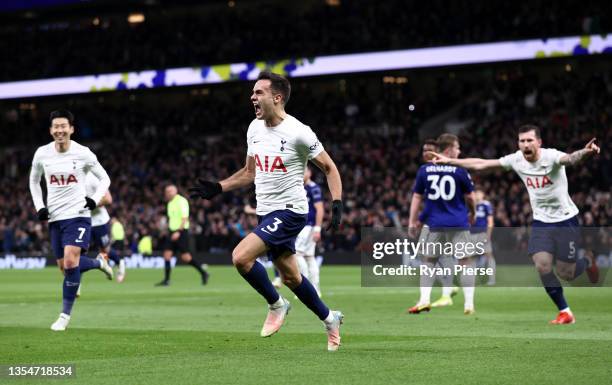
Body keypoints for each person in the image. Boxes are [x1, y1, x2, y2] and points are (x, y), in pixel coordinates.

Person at [189, 71, 344, 351]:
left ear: (277, 97)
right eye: (252, 92)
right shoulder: (254, 128)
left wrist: (337, 202)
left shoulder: (299, 132)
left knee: (240, 257)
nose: (252, 97)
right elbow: (250, 172)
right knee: (291, 277)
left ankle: (277, 304)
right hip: (266, 211)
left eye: (259, 92)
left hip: (290, 212)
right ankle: (330, 318)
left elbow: (330, 167)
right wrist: (218, 187)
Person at [428, 124, 600, 324]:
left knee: (566, 273)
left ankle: (587, 261)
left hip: (565, 220)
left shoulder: (551, 156)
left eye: (529, 140)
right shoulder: (517, 159)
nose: (525, 144)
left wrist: (587, 152)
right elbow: (482, 164)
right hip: (541, 222)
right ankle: (565, 312)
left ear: (539, 142)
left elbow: (571, 159)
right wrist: (451, 161)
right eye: (522, 141)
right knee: (542, 266)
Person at [29, 109, 113, 331]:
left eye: (63, 126)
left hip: (78, 216)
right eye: (56, 127)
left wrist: (94, 200)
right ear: (50, 130)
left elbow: (105, 178)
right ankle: (98, 263)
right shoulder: (42, 154)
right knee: (65, 267)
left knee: (69, 262)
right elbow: (34, 182)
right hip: (55, 218)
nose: (59, 130)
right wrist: (40, 206)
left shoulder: (83, 153)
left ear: (71, 129)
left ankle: (64, 316)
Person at [408, 134, 478, 315]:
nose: (459, 151)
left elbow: (417, 197)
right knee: (465, 262)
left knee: (428, 261)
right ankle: (469, 304)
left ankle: (424, 300)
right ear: (448, 150)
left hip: (434, 224)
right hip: (458, 223)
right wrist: (473, 212)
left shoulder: (425, 170)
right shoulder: (460, 170)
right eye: (457, 147)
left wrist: (412, 221)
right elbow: (470, 197)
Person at [156, 184, 209, 286]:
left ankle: (204, 273)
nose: (167, 194)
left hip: (181, 232)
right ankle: (167, 280)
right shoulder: (170, 203)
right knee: (167, 255)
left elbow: (185, 218)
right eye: (166, 192)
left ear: (175, 191)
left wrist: (178, 232)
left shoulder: (182, 201)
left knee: (186, 257)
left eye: (169, 191)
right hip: (172, 232)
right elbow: (173, 219)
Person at [86, 173, 126, 283]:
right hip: (83, 221)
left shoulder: (92, 178)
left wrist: (90, 205)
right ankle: (75, 283)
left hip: (99, 221)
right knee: (78, 251)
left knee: (105, 250)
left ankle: (120, 262)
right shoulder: (72, 178)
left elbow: (108, 199)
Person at [295, 166, 324, 296]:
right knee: (309, 257)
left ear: (310, 173)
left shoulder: (314, 188)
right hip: (302, 226)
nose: (302, 173)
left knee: (297, 254)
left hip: (309, 226)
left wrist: (317, 228)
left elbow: (320, 209)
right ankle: (315, 290)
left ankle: (305, 289)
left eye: (304, 171)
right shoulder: (300, 188)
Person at [471, 187, 496, 285]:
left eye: (479, 193)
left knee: (488, 256)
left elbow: (490, 221)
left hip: (482, 233)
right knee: (470, 257)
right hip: (472, 234)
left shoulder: (486, 204)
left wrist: (488, 235)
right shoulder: (471, 205)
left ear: (483, 195)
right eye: (476, 193)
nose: (477, 195)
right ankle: (472, 280)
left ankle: (491, 280)